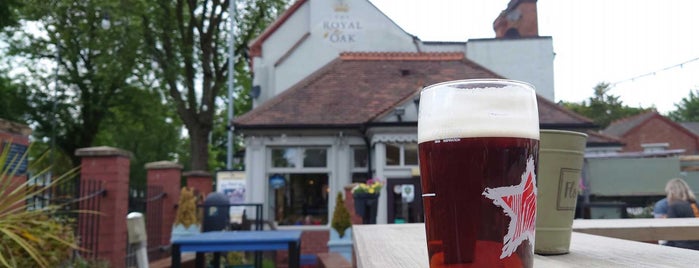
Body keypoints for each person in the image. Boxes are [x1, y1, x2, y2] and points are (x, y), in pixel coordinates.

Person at [663, 178, 699, 250]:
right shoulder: (695, 204)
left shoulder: (674, 206)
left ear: (671, 192)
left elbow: (670, 231)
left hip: (683, 247)